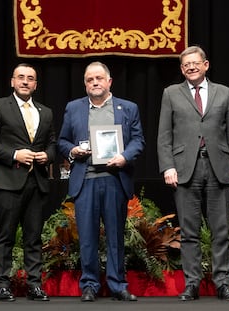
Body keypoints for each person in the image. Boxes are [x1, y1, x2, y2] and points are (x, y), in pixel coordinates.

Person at [157, 46, 229, 301]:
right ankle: (192, 283)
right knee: (189, 230)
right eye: (186, 65)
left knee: (221, 230)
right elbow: (164, 135)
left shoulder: (224, 93)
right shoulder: (171, 93)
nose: (191, 67)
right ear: (181, 69)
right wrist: (168, 166)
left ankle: (222, 284)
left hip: (219, 167)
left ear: (206, 65)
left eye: (195, 63)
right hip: (185, 169)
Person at [58, 61, 145, 302]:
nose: (94, 82)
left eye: (99, 78)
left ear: (109, 82)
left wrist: (124, 157)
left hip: (115, 180)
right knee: (87, 237)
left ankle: (118, 285)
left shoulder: (128, 108)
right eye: (89, 79)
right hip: (85, 180)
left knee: (115, 236)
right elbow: (62, 141)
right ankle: (90, 285)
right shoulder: (73, 108)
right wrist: (73, 150)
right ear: (85, 84)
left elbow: (138, 140)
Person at [0, 63, 57, 302]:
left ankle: (35, 285)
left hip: (37, 182)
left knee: (33, 238)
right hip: (7, 182)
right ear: (12, 81)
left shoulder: (45, 111)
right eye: (20, 77)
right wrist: (14, 155)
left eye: (30, 78)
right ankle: (2, 284)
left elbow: (52, 142)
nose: (25, 81)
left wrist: (49, 155)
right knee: (6, 236)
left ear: (36, 84)